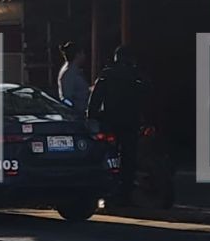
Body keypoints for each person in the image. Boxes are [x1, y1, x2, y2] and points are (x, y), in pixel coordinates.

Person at [87, 45, 146, 197]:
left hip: (110, 122)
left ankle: (111, 189)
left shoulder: (107, 75)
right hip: (131, 122)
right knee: (129, 157)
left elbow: (94, 100)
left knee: (109, 155)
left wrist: (91, 118)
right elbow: (146, 97)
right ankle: (126, 191)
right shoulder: (136, 76)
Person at [57, 41, 90, 112]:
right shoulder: (68, 73)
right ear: (78, 54)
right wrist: (75, 109)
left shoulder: (76, 71)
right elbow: (65, 98)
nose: (84, 56)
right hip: (76, 114)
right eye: (83, 53)